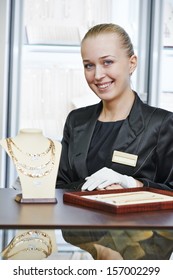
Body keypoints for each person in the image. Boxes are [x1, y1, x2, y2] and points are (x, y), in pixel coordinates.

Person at [56, 23, 173, 260]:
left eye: (107, 62)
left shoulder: (161, 124)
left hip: (143, 253)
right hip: (86, 243)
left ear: (132, 63)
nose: (98, 75)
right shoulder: (76, 121)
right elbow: (60, 186)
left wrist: (133, 185)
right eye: (89, 65)